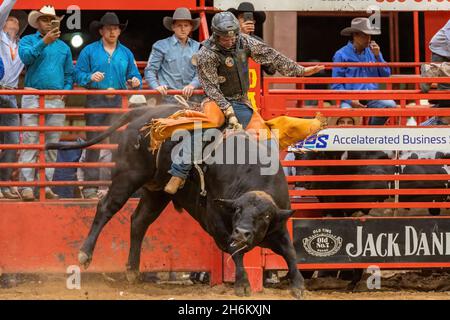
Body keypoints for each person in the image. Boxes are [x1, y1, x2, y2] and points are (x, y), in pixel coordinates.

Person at [164, 11, 324, 194]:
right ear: (216, 35)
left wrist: (300, 71)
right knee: (208, 129)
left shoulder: (244, 41)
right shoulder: (206, 53)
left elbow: (271, 55)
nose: (230, 41)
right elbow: (211, 89)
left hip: (240, 101)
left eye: (232, 36)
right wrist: (228, 111)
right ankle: (179, 171)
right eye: (225, 38)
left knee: (266, 137)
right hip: (215, 101)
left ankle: (267, 181)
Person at [75, 12, 142, 199]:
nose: (113, 32)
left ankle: (118, 187)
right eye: (109, 28)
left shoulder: (126, 53)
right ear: (101, 30)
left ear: (120, 31)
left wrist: (136, 80)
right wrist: (89, 77)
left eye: (116, 28)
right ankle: (89, 187)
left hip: (118, 99)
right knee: (94, 142)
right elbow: (77, 74)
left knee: (120, 145)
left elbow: (135, 75)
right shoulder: (89, 51)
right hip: (96, 98)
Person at [18, 5, 74, 201]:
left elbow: (69, 75)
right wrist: (43, 42)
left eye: (51, 20)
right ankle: (26, 186)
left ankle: (46, 185)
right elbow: (25, 58)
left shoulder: (63, 47)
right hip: (33, 95)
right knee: (31, 141)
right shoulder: (27, 40)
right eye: (44, 19)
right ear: (38, 22)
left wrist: (64, 92)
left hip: (54, 98)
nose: (48, 23)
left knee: (51, 145)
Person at [331, 17, 396, 125]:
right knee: (345, 116)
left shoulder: (374, 51)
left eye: (370, 35)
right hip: (350, 99)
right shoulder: (341, 54)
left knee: (390, 105)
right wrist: (350, 100)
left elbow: (386, 75)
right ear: (355, 35)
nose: (369, 39)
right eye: (365, 35)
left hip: (372, 97)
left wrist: (377, 57)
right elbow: (336, 85)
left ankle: (372, 131)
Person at [144, 8, 201, 104]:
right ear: (173, 27)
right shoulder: (161, 46)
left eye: (186, 25)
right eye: (179, 25)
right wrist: (156, 86)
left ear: (191, 27)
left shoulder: (198, 47)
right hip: (169, 98)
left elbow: (201, 72)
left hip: (194, 97)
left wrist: (192, 85)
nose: (183, 29)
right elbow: (150, 70)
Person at [0, 0, 27, 199]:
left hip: (11, 93)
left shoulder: (21, 46)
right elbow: (2, 9)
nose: (14, 23)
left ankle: (4, 182)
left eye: (17, 22)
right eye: (10, 19)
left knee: (12, 142)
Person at [227, 2, 275, 75]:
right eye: (242, 17)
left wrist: (259, 52)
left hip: (254, 84)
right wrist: (241, 35)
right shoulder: (227, 39)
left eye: (250, 18)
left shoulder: (259, 42)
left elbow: (271, 70)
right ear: (236, 21)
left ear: (254, 22)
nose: (246, 20)